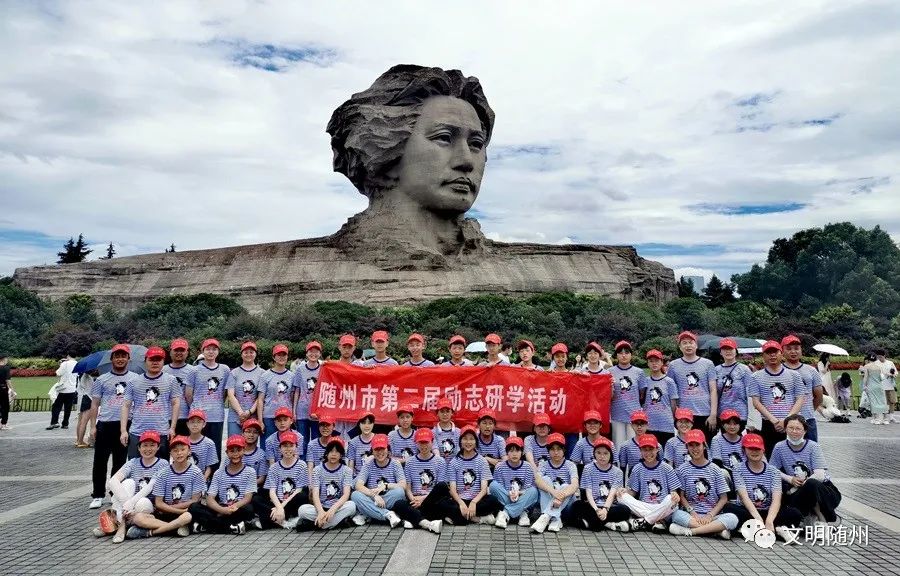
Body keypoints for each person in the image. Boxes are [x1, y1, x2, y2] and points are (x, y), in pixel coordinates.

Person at [725, 433, 803, 544]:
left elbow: (776, 500)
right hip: (748, 510)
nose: (754, 452)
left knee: (794, 514)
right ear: (743, 450)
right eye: (750, 449)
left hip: (768, 511)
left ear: (763, 450)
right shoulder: (738, 469)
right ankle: (778, 530)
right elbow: (744, 497)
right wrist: (758, 519)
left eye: (757, 449)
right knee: (728, 508)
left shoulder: (774, 471)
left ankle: (753, 529)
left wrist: (769, 520)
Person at [96, 430, 168, 544]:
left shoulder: (163, 464)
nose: (148, 449)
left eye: (152, 445)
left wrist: (130, 503)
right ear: (139, 448)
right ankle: (123, 522)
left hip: (147, 504)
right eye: (144, 445)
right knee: (128, 483)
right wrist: (127, 504)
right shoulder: (133, 462)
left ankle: (118, 523)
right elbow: (113, 481)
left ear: (158, 447)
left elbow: (150, 487)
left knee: (143, 501)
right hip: (130, 506)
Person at [89, 343, 138, 509]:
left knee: (120, 461)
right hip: (106, 423)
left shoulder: (135, 379)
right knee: (100, 461)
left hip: (126, 424)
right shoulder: (102, 379)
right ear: (112, 359)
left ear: (128, 359)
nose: (120, 359)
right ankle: (97, 494)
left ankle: (115, 493)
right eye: (117, 356)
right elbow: (95, 404)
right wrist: (92, 427)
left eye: (123, 356)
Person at [769, 415, 842, 524]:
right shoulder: (779, 447)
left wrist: (798, 486)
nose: (794, 431)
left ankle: (823, 518)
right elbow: (771, 470)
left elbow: (820, 475)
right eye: (791, 428)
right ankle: (810, 517)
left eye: (798, 428)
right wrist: (789, 479)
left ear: (805, 431)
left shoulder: (813, 446)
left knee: (811, 484)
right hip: (797, 490)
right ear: (785, 429)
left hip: (823, 491)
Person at [126, 435, 202, 539]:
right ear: (170, 453)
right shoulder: (163, 473)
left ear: (189, 451)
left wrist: (178, 510)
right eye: (175, 450)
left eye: (182, 449)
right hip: (167, 513)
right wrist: (178, 511)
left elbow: (195, 500)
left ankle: (150, 532)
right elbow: (159, 503)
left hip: (186, 511)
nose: (179, 453)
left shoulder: (196, 472)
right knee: (138, 518)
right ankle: (176, 528)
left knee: (187, 516)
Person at [668, 429, 738, 539]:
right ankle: (715, 531)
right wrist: (692, 512)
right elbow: (682, 496)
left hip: (713, 516)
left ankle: (691, 531)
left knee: (732, 518)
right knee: (676, 515)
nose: (694, 449)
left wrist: (710, 515)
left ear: (704, 446)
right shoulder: (682, 469)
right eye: (691, 445)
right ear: (687, 448)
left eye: (697, 445)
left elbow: (724, 498)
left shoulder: (715, 469)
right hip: (691, 515)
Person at [188, 435, 257, 534]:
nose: (235, 454)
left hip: (237, 508)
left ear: (244, 450)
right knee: (194, 507)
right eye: (232, 451)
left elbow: (247, 498)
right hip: (221, 507)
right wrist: (222, 510)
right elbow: (210, 498)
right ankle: (232, 527)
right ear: (227, 452)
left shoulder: (250, 472)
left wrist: (230, 509)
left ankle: (208, 526)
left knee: (249, 508)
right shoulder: (218, 473)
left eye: (238, 450)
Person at [120, 346, 179, 460]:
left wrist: (172, 428)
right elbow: (126, 405)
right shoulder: (134, 381)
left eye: (158, 359)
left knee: (161, 467)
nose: (155, 363)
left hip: (162, 431)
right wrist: (123, 431)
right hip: (137, 432)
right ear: (145, 361)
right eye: (152, 359)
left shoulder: (171, 380)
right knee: (135, 465)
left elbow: (176, 403)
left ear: (163, 361)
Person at [748, 340, 805, 456]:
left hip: (791, 423)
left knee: (793, 456)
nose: (772, 355)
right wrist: (774, 420)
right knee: (771, 456)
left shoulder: (794, 375)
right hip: (769, 423)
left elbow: (800, 399)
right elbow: (756, 402)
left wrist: (787, 420)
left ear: (781, 353)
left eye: (775, 352)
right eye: (768, 352)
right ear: (763, 356)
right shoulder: (756, 377)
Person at [616, 433, 680, 531]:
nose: (648, 453)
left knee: (671, 499)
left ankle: (644, 521)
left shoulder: (667, 468)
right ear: (640, 451)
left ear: (657, 449)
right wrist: (624, 491)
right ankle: (657, 520)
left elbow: (674, 492)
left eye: (651, 449)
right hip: (644, 506)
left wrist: (675, 495)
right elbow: (633, 492)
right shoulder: (637, 468)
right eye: (645, 450)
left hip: (663, 505)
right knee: (621, 496)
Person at [389, 428, 446, 533]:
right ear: (416, 443)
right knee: (398, 504)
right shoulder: (410, 462)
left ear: (432, 442)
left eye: (426, 442)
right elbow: (408, 487)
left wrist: (423, 499)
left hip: (431, 500)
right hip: (414, 500)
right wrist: (414, 499)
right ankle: (427, 524)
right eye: (420, 443)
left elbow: (439, 488)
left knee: (443, 487)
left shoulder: (440, 461)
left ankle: (414, 519)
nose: (424, 446)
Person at [570, 436, 632, 532]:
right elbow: (588, 493)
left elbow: (612, 494)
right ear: (594, 454)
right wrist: (597, 510)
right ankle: (608, 524)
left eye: (605, 453)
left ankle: (593, 523)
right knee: (576, 506)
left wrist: (605, 510)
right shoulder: (588, 468)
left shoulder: (618, 472)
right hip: (592, 506)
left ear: (610, 454)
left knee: (625, 510)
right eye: (598, 453)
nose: (602, 456)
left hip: (610, 507)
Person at [252, 430, 309, 530]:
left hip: (291, 502)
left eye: (291, 446)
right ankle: (283, 521)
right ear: (280, 448)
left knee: (302, 496)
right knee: (256, 498)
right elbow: (272, 491)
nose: (288, 449)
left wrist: (281, 507)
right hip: (277, 501)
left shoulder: (301, 465)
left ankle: (270, 520)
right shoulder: (274, 467)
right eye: (285, 446)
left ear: (296, 447)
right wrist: (278, 507)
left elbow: (298, 490)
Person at [297, 437, 358, 530]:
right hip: (321, 507)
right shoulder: (317, 470)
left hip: (338, 508)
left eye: (337, 451)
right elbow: (315, 494)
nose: (333, 454)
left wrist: (332, 510)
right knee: (302, 510)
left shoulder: (347, 470)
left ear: (341, 454)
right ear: (326, 453)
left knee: (351, 506)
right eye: (331, 451)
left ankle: (317, 524)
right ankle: (335, 523)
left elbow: (346, 495)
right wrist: (321, 512)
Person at [667, 331, 718, 443]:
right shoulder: (673, 366)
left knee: (706, 445)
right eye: (684, 343)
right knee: (686, 446)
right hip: (684, 415)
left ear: (696, 345)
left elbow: (713, 390)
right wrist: (673, 415)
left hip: (705, 413)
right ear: (680, 347)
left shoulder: (708, 364)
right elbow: (671, 393)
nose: (688, 345)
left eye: (691, 342)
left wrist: (713, 414)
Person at [350, 434, 409, 527]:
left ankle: (369, 513)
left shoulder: (395, 464)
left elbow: (403, 485)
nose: (380, 452)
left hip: (389, 497)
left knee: (399, 492)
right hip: (373, 498)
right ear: (372, 451)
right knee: (355, 495)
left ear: (388, 449)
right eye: (376, 449)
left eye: (382, 449)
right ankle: (388, 514)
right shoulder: (368, 464)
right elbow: (358, 485)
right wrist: (374, 496)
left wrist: (386, 486)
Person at [187, 338, 231, 462]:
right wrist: (196, 407)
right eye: (208, 349)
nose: (211, 352)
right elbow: (188, 394)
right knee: (197, 447)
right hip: (198, 416)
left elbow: (225, 393)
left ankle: (213, 473)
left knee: (215, 449)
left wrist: (217, 403)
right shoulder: (194, 370)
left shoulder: (225, 369)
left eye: (214, 349)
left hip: (217, 416)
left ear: (218, 351)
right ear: (203, 351)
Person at [447, 426, 502, 525]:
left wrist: (474, 502)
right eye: (465, 439)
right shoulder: (454, 462)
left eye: (471, 439)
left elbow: (484, 489)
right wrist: (461, 503)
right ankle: (478, 519)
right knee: (443, 503)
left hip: (478, 500)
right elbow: (452, 490)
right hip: (460, 500)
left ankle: (461, 517)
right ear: (460, 441)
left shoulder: (482, 461)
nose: (468, 442)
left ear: (476, 442)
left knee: (493, 501)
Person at [531, 433, 579, 533]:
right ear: (548, 451)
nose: (556, 452)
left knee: (566, 486)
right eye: (552, 449)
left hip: (566, 506)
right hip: (551, 500)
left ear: (564, 450)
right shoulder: (543, 464)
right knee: (545, 479)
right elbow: (537, 480)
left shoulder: (570, 465)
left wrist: (561, 496)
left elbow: (575, 485)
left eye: (559, 449)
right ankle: (555, 519)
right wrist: (554, 492)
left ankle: (546, 516)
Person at [490, 436, 540, 528]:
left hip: (522, 496)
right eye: (511, 451)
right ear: (507, 452)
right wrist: (510, 493)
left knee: (533, 491)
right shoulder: (500, 467)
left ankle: (505, 513)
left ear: (522, 452)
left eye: (517, 451)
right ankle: (521, 513)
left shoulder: (528, 467)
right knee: (493, 485)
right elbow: (500, 488)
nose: (514, 454)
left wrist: (518, 493)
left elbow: (527, 488)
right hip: (507, 496)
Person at [782, 335, 823, 441]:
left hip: (807, 419)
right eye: (789, 349)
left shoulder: (811, 370)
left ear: (801, 350)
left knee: (810, 448)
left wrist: (809, 409)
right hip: (784, 420)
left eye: (796, 348)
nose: (793, 352)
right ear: (782, 351)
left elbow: (818, 397)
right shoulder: (778, 371)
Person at [608, 341, 646, 449]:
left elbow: (642, 394)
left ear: (631, 354)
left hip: (634, 415)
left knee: (634, 446)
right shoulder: (610, 372)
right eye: (620, 353)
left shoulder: (639, 372)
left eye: (627, 352)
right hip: (617, 414)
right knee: (618, 446)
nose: (624, 355)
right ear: (616, 355)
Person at [640, 349, 678, 447]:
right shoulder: (645, 381)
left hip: (666, 424)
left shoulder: (669, 381)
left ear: (662, 363)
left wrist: (672, 418)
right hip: (649, 424)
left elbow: (673, 404)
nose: (654, 363)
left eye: (657, 361)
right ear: (648, 363)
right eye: (651, 361)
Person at [715, 338, 753, 431]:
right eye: (725, 349)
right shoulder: (716, 370)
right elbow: (714, 393)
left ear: (736, 351)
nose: (728, 351)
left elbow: (750, 393)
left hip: (740, 414)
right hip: (722, 414)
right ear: (720, 352)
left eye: (730, 349)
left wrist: (752, 417)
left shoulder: (744, 369)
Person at [226, 341, 263, 438]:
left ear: (255, 354)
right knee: (234, 443)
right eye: (246, 352)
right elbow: (230, 395)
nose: (248, 354)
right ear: (241, 354)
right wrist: (240, 413)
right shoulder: (234, 373)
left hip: (253, 416)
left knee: (250, 444)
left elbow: (260, 397)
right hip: (235, 416)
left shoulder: (262, 373)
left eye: (251, 352)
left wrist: (249, 412)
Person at [292, 340, 323, 451]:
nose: (313, 354)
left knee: (316, 441)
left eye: (316, 351)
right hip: (302, 411)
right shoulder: (300, 369)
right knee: (302, 441)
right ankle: (302, 461)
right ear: (306, 353)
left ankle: (315, 461)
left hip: (317, 412)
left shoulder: (323, 369)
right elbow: (297, 391)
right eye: (311, 351)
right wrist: (294, 411)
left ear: (320, 353)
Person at [258, 344, 294, 435]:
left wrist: (293, 415)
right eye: (279, 355)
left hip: (286, 417)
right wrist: (260, 420)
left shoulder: (292, 376)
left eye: (284, 355)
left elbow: (293, 398)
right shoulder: (265, 376)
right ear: (274, 357)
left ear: (287, 357)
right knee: (268, 442)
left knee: (286, 443)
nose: (281, 357)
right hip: (269, 416)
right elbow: (260, 399)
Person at [163, 338, 196, 436]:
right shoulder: (163, 370)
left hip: (186, 416)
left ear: (187, 352)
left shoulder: (193, 370)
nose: (179, 353)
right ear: (170, 352)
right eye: (176, 350)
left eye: (182, 350)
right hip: (165, 416)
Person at [47, 353, 78, 430]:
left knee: (56, 406)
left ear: (68, 356)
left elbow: (58, 373)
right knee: (68, 408)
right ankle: (65, 424)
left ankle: (54, 422)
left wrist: (61, 364)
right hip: (72, 389)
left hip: (63, 389)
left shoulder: (65, 364)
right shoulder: (77, 364)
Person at [186, 409, 218, 481]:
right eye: (192, 422)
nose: (195, 425)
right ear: (188, 424)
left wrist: (203, 479)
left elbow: (210, 466)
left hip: (202, 478)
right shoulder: (183, 441)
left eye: (198, 422)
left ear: (204, 424)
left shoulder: (209, 443)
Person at [709, 409, 744, 477]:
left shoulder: (744, 440)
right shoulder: (717, 440)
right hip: (726, 475)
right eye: (728, 423)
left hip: (743, 474)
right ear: (722, 424)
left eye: (735, 423)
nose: (732, 427)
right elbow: (717, 463)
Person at [618, 410, 651, 476]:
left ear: (647, 425)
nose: (639, 427)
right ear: (631, 425)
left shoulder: (656, 445)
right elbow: (622, 469)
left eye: (642, 423)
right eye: (636, 423)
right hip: (633, 479)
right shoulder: (625, 446)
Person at [860, 353, 888, 424]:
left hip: (871, 386)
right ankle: (885, 419)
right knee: (882, 401)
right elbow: (882, 377)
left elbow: (865, 377)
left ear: (868, 359)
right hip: (879, 385)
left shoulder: (867, 366)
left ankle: (876, 419)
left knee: (873, 402)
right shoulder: (879, 366)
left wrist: (864, 386)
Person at [240, 418, 268, 488]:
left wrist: (246, 485)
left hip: (254, 487)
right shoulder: (236, 451)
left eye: (255, 432)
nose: (251, 435)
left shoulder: (261, 454)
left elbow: (261, 479)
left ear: (258, 434)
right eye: (248, 431)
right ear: (242, 433)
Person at [348, 412, 376, 476]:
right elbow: (351, 464)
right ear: (359, 424)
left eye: (369, 423)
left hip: (375, 476)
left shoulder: (379, 439)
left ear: (373, 424)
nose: (366, 426)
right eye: (363, 423)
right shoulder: (353, 442)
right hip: (358, 476)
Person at [875, 349, 897, 423]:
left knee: (892, 401)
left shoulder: (890, 363)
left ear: (884, 356)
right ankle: (884, 417)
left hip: (890, 385)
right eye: (878, 357)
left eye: (881, 357)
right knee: (883, 402)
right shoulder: (876, 363)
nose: (879, 358)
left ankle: (891, 417)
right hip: (881, 385)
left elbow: (895, 372)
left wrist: (893, 375)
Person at [75, 371, 96, 447]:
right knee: (84, 422)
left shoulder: (81, 376)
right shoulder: (87, 377)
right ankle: (80, 441)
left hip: (82, 398)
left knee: (80, 421)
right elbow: (91, 389)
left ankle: (78, 440)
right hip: (88, 398)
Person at [0, 354, 12, 430]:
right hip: (3, 388)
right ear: (3, 359)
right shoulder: (6, 368)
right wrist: (12, 390)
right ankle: (3, 424)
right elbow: (8, 380)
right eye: (6, 359)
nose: (7, 360)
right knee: (5, 406)